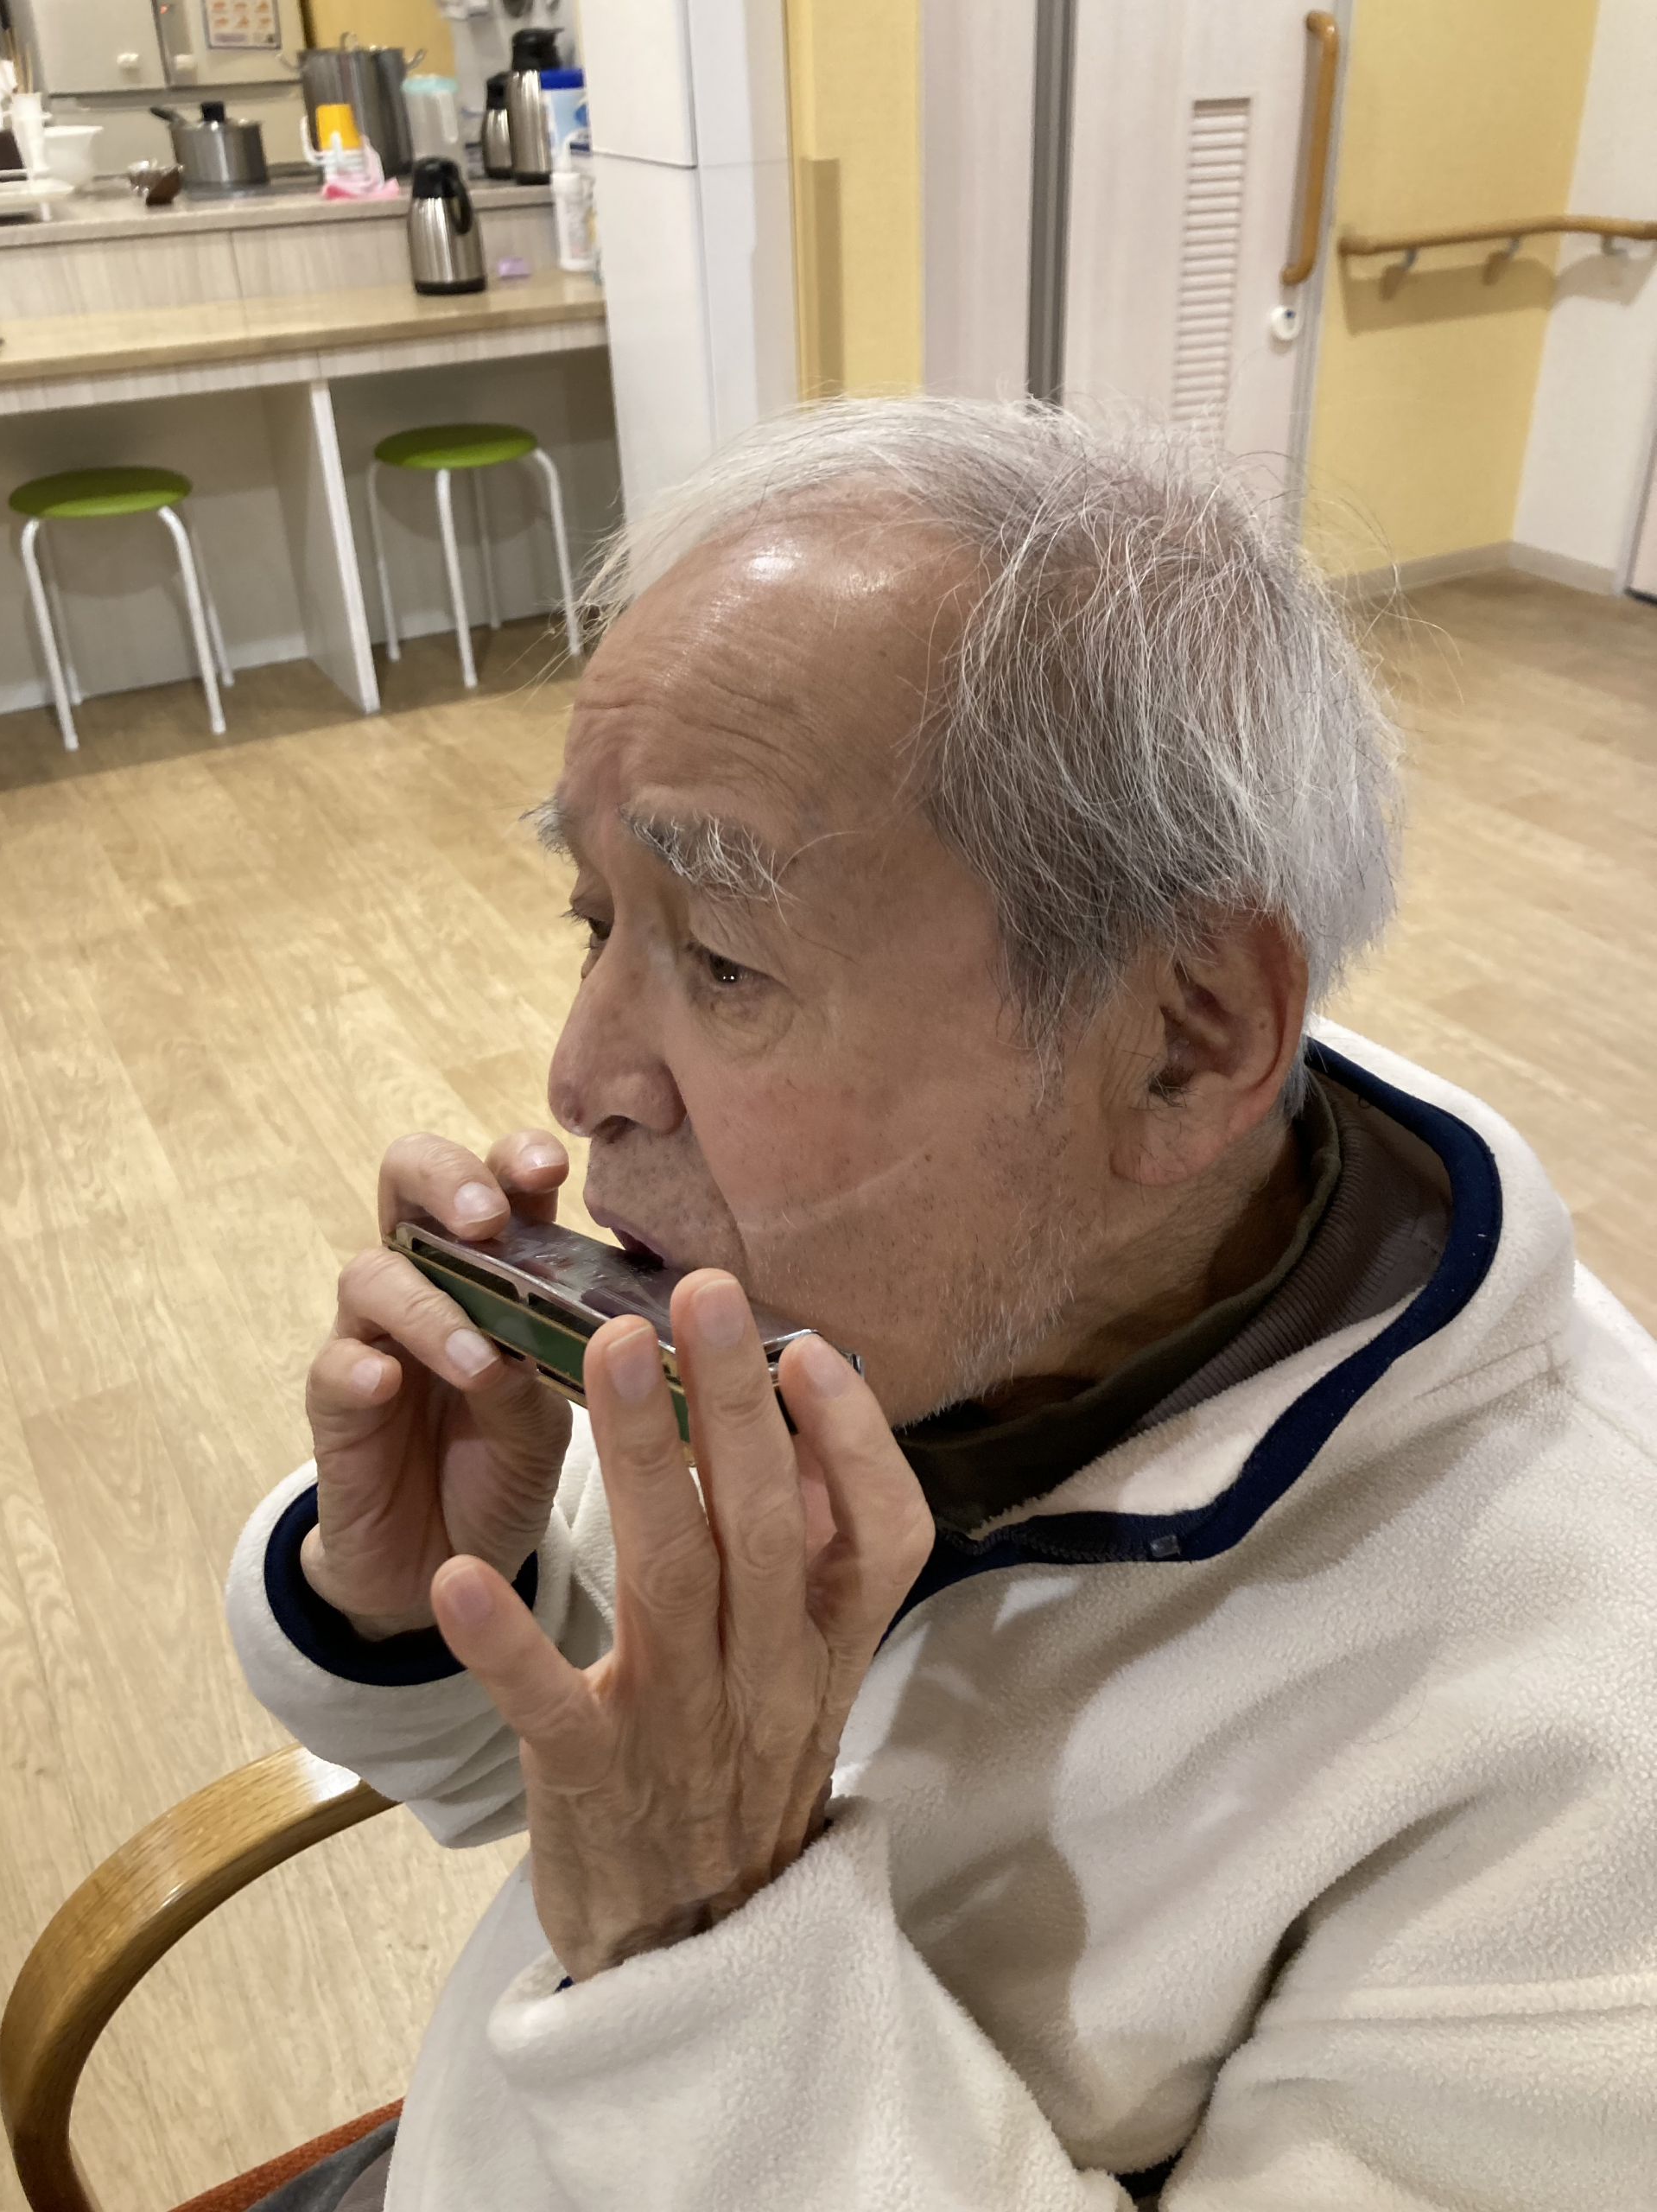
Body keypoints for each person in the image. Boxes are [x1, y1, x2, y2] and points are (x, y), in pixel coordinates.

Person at [228, 399, 1657, 2212]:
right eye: (596, 921)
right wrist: (425, 1588)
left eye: (723, 957)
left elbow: (637, 1897)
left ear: (1186, 1038)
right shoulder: (897, 1298)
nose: (581, 1079)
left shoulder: (1588, 1746)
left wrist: (707, 1948)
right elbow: (497, 1781)